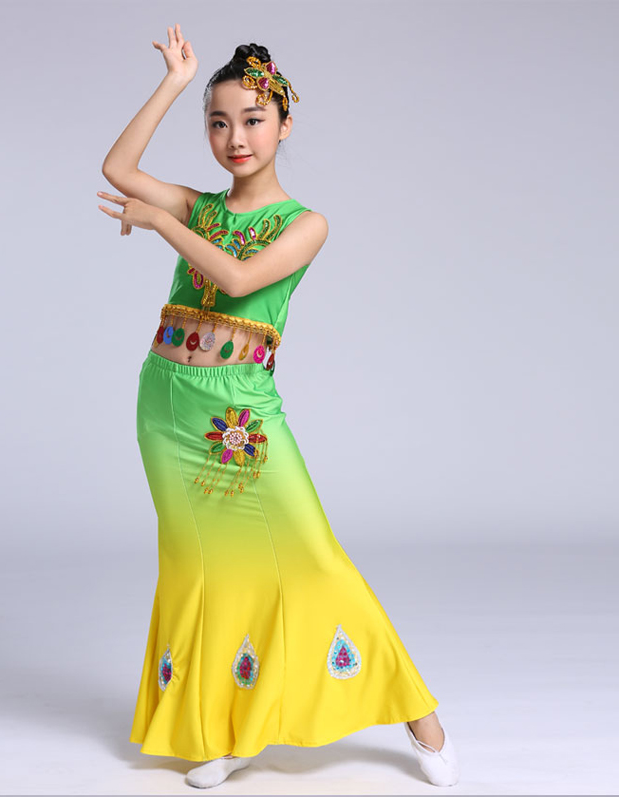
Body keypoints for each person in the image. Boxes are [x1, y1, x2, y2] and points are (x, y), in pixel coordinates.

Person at [98, 23, 460, 790]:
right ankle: (230, 729)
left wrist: (162, 222)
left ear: (285, 124)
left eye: (253, 120)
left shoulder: (304, 224)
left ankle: (418, 711)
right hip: (165, 404)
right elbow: (118, 169)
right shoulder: (200, 205)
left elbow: (236, 280)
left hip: (239, 417)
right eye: (218, 122)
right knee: (201, 568)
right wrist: (174, 83)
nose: (235, 138)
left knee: (311, 557)